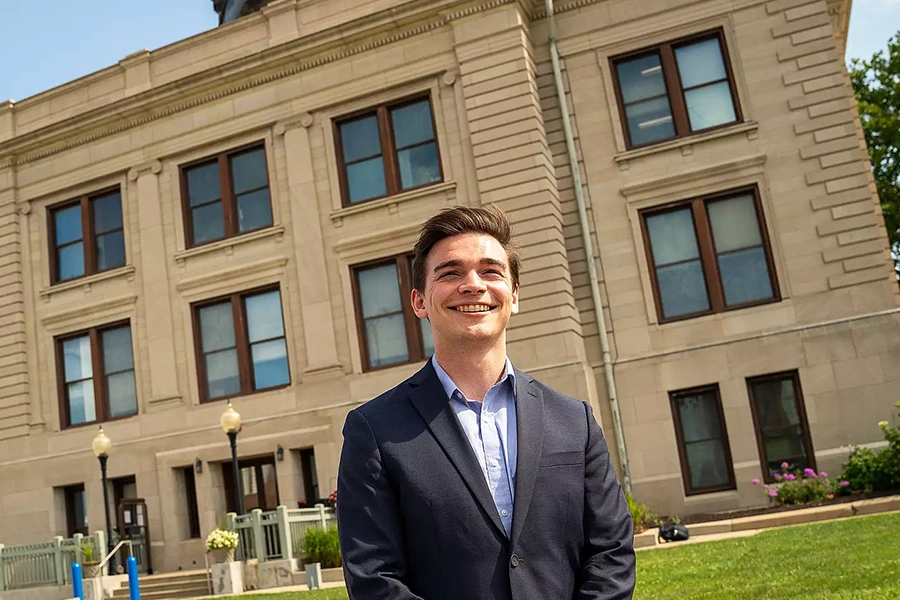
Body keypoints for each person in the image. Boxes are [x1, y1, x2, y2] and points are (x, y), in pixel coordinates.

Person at [337, 206, 635, 600]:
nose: (473, 285)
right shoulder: (374, 430)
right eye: (450, 273)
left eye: (490, 271)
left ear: (513, 297)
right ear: (419, 302)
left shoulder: (574, 420)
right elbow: (374, 579)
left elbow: (611, 554)